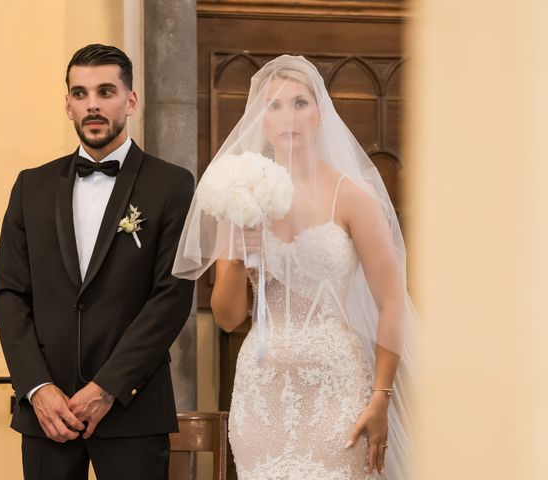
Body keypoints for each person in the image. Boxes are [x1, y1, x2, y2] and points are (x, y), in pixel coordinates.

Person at [173, 55, 416, 479]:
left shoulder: (352, 197)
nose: (288, 117)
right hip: (260, 395)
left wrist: (380, 395)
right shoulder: (244, 197)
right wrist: (237, 256)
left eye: (300, 103)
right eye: (275, 106)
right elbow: (229, 317)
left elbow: (392, 301)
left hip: (336, 391)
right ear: (261, 121)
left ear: (320, 114)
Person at [0, 44, 195, 480]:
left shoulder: (172, 185)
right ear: (67, 104)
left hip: (132, 410)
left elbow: (172, 296)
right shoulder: (31, 187)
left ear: (131, 99)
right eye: (80, 94)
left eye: (106, 91)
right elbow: (10, 293)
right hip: (48, 417)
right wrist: (38, 388)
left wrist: (108, 388)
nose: (93, 105)